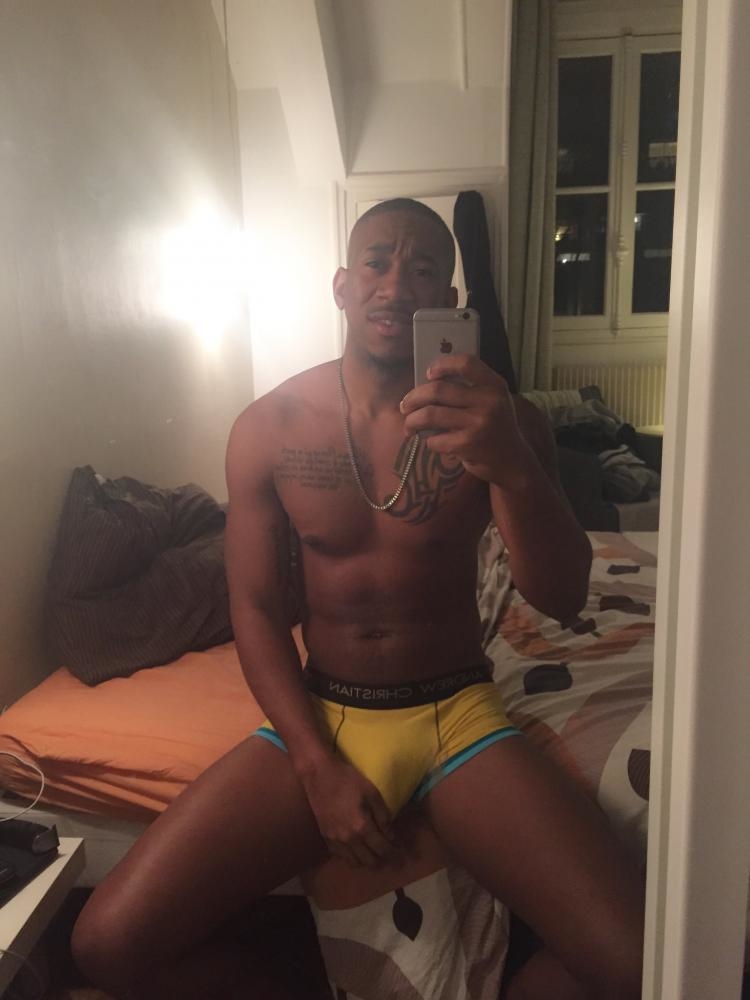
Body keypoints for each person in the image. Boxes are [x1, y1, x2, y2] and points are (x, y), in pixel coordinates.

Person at [72, 198, 644, 999]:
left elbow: (562, 598)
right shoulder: (270, 427)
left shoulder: (503, 419)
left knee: (644, 964)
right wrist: (315, 767)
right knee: (104, 945)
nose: (397, 285)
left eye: (423, 269)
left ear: (449, 302)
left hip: (456, 714)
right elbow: (255, 610)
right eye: (378, 261)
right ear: (342, 286)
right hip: (327, 713)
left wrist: (511, 464)